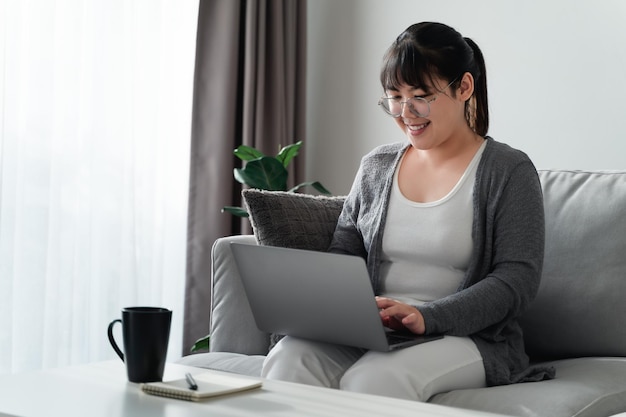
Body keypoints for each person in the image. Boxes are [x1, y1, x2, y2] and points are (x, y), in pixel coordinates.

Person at [261, 22, 555, 401]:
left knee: (374, 380)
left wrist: (428, 317)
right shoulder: (376, 166)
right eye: (394, 97)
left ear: (464, 87)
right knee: (288, 358)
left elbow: (516, 282)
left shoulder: (508, 171)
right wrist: (341, 310)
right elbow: (345, 252)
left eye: (421, 95)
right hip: (374, 329)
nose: (406, 112)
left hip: (465, 336)